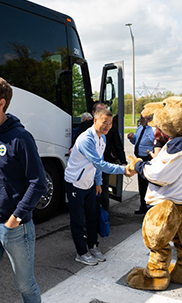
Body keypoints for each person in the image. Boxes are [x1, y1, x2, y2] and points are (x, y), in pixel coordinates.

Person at [0, 75, 47, 303]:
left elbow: (39, 183)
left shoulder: (21, 138)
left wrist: (16, 217)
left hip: (15, 228)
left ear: (1, 103)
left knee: (25, 286)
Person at [64, 108, 133, 266]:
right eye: (104, 122)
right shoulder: (86, 139)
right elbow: (99, 163)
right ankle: (81, 253)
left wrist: (98, 182)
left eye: (110, 123)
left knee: (93, 216)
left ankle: (93, 247)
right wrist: (123, 169)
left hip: (89, 183)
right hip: (75, 183)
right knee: (77, 220)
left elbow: (96, 165)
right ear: (95, 121)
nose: (108, 126)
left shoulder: (102, 138)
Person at [72, 103, 126, 212]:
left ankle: (104, 219)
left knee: (103, 194)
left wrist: (123, 162)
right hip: (85, 170)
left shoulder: (109, 129)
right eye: (101, 112)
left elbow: (117, 145)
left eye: (105, 110)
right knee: (86, 198)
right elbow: (76, 144)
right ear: (94, 115)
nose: (104, 114)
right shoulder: (85, 128)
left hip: (103, 167)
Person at [127, 115, 156, 214]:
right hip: (139, 159)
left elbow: (156, 143)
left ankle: (150, 208)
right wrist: (132, 138)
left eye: (142, 118)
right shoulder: (140, 128)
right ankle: (143, 206)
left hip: (148, 159)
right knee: (141, 185)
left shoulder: (153, 130)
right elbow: (136, 141)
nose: (140, 120)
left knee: (149, 185)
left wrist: (152, 153)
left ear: (148, 119)